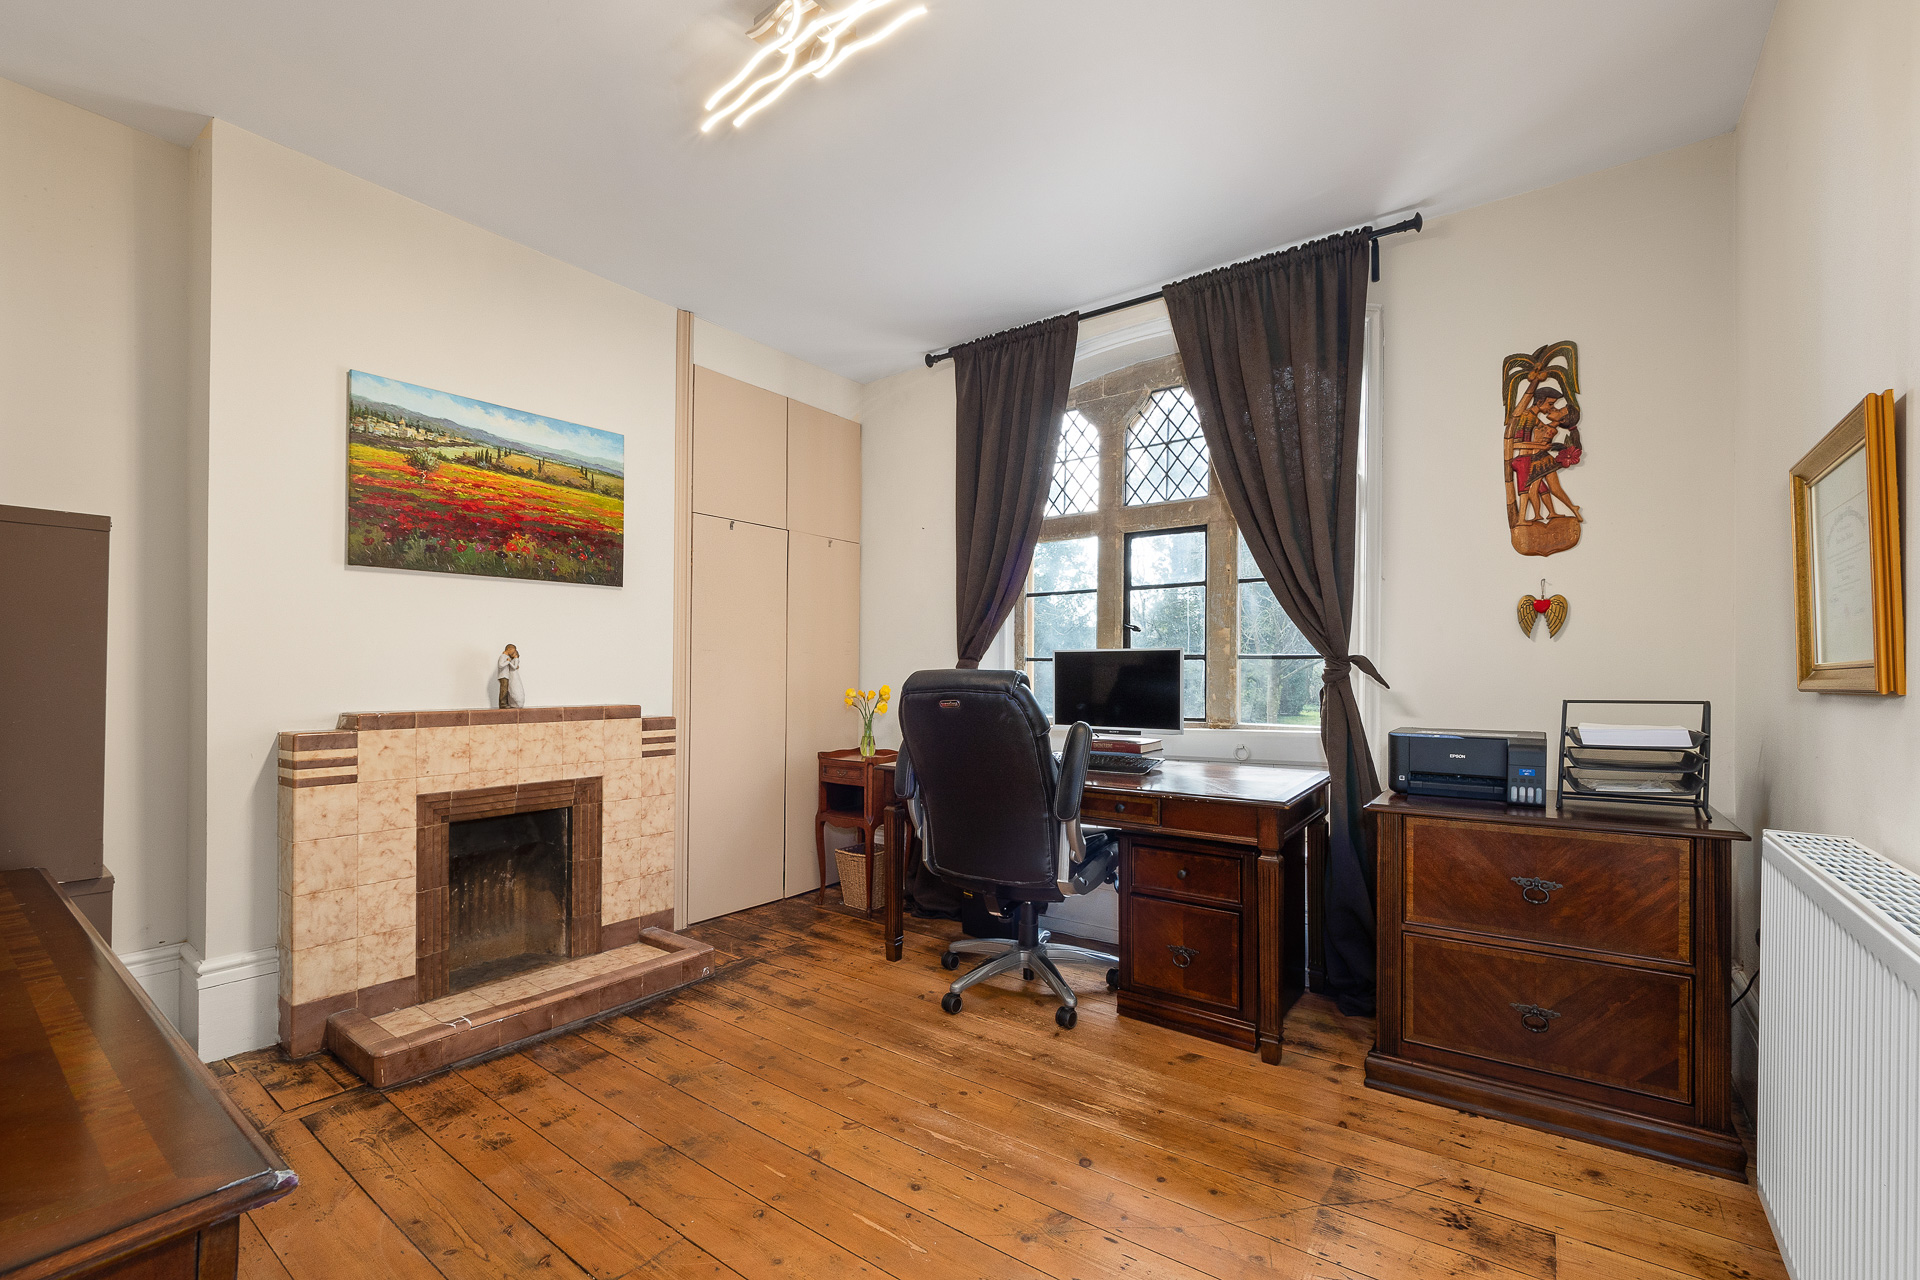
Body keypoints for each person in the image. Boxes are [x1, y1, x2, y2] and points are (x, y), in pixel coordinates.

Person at [495, 644, 521, 709]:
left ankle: (506, 702)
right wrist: (508, 662)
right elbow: (500, 665)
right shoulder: (503, 656)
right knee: (503, 690)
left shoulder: (507, 657)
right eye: (513, 650)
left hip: (506, 675)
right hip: (503, 675)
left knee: (506, 690)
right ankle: (503, 703)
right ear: (509, 649)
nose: (513, 652)